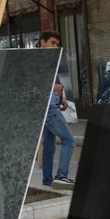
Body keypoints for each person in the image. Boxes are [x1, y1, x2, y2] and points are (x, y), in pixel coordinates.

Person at [37, 30, 77, 189]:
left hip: (50, 105)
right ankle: (62, 176)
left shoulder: (51, 60)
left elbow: (57, 84)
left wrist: (62, 98)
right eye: (53, 43)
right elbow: (37, 86)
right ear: (42, 42)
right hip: (48, 107)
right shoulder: (38, 61)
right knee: (69, 140)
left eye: (57, 44)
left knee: (49, 145)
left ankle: (47, 180)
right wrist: (56, 89)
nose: (56, 46)